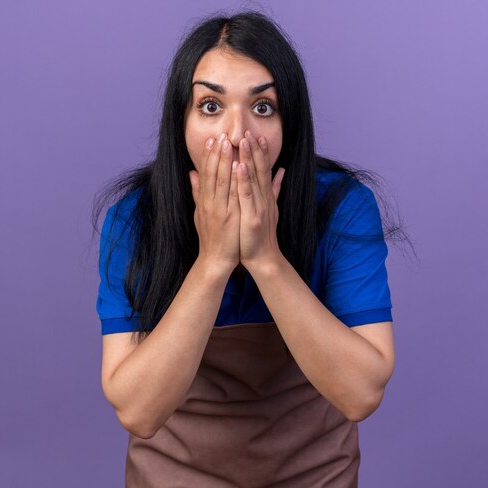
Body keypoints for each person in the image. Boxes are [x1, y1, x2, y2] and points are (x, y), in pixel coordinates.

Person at [94, 10, 402, 487]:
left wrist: (264, 258)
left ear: (289, 124)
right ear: (181, 121)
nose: (236, 136)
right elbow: (136, 411)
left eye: (262, 108)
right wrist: (214, 260)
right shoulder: (134, 219)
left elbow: (362, 393)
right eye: (211, 107)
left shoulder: (343, 208)